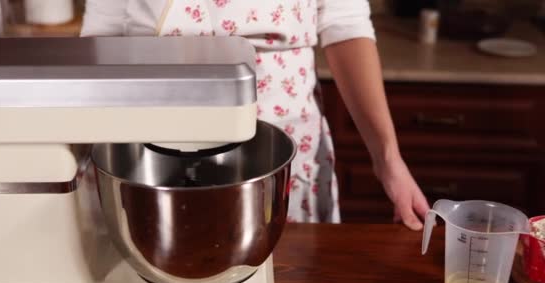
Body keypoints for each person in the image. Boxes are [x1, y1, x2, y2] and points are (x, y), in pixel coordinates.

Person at [81, 0, 430, 230]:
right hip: (154, 155)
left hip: (285, 153)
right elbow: (101, 39)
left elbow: (346, 28)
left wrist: (388, 158)